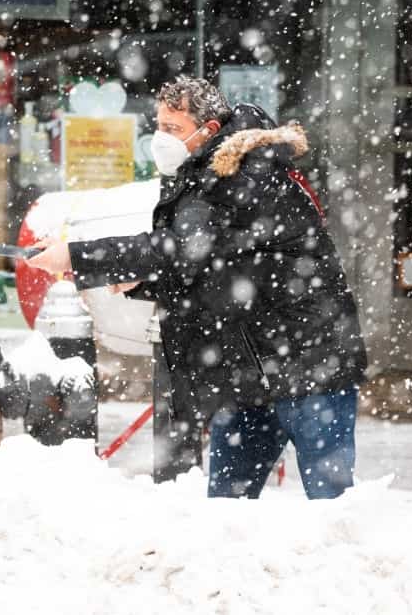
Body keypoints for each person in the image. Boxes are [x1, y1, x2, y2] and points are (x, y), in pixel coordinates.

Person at [27, 76, 368, 499]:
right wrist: (143, 280)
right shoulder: (199, 176)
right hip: (248, 374)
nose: (161, 138)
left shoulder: (250, 170)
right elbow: (213, 265)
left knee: (332, 507)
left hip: (310, 363)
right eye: (159, 125)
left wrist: (78, 256)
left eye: (173, 128)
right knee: (226, 511)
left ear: (209, 130)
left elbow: (185, 248)